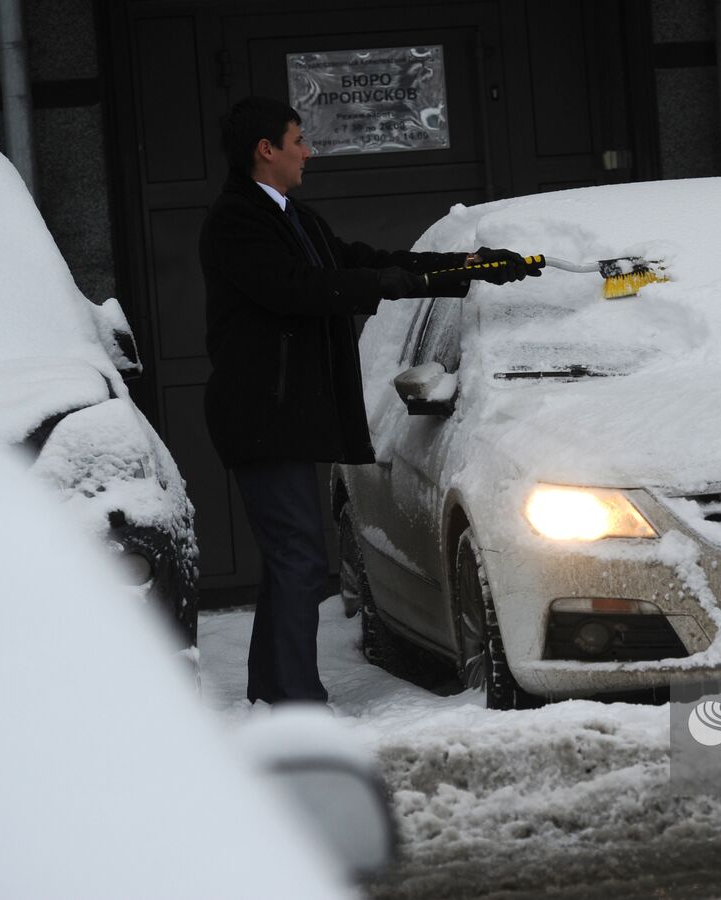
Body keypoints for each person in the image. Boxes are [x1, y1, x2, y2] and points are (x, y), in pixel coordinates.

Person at [198, 96, 536, 704]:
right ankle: (295, 700)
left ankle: (275, 690)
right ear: (265, 150)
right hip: (261, 417)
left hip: (284, 417)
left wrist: (465, 268)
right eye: (298, 140)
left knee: (289, 559)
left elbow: (364, 261)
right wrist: (384, 282)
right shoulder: (236, 223)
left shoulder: (292, 217)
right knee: (299, 560)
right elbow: (297, 289)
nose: (309, 152)